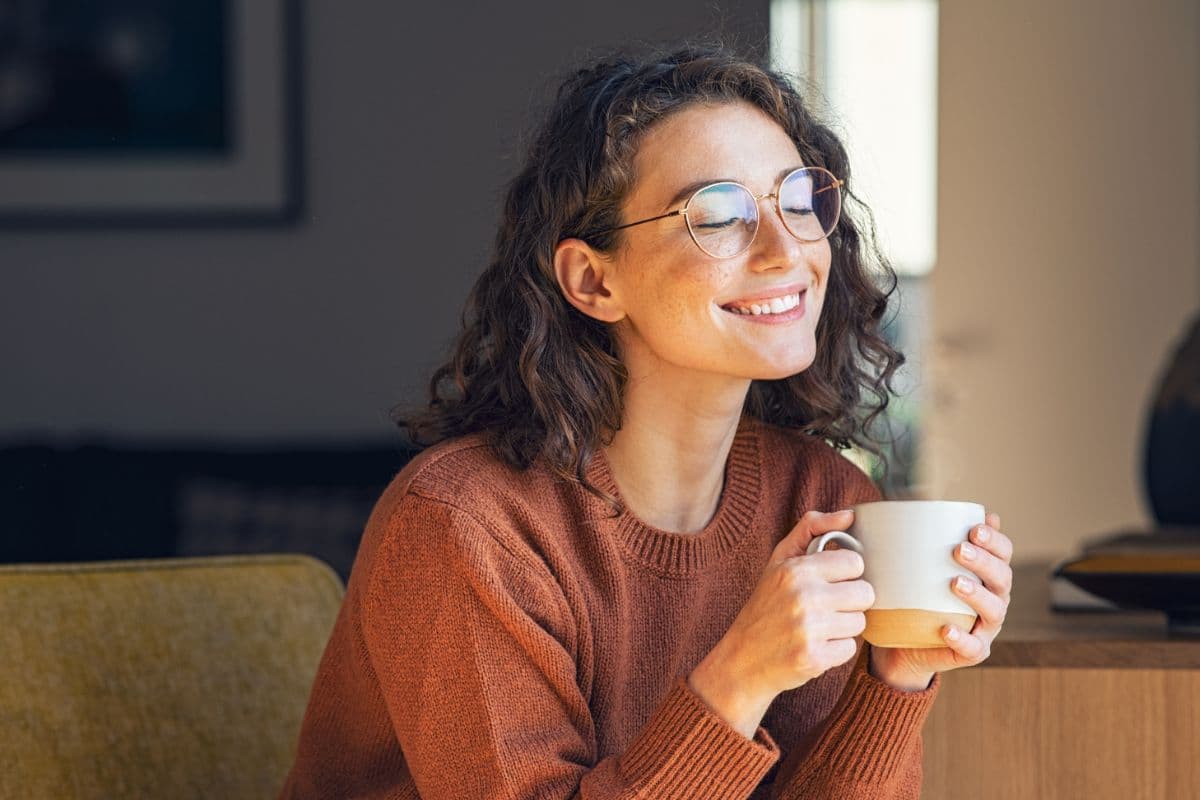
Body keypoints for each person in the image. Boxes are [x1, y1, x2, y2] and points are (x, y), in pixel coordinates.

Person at [279, 42, 1014, 799]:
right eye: (719, 215)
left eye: (797, 199)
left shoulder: (823, 501)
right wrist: (738, 677)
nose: (783, 248)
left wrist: (897, 679)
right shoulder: (468, 526)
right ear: (594, 281)